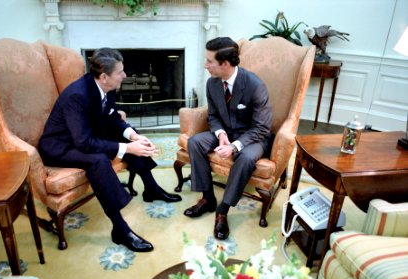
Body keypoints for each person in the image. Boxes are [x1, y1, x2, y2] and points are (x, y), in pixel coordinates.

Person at [38, 47, 181, 252]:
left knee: (130, 138)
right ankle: (120, 229)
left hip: (83, 137)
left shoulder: (106, 87)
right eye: (120, 72)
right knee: (98, 160)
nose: (125, 75)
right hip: (60, 147)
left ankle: (151, 188)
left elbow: (113, 118)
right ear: (104, 76)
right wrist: (127, 148)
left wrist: (134, 136)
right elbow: (84, 144)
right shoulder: (76, 96)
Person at [183, 37, 273, 240]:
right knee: (194, 142)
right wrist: (221, 134)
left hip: (253, 137)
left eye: (209, 61)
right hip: (227, 133)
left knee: (246, 158)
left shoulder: (255, 85)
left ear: (225, 64)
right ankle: (208, 199)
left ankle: (222, 210)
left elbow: (261, 127)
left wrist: (234, 146)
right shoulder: (212, 83)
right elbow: (213, 116)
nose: (205, 65)